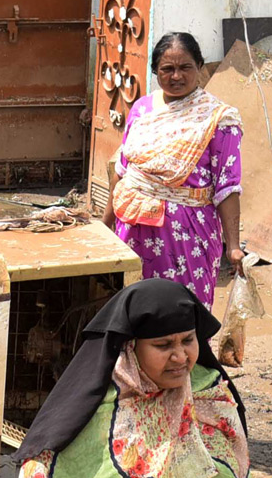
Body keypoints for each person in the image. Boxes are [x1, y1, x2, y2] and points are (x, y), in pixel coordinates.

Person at [1, 278, 261, 478]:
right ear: (130, 346)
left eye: (188, 340)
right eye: (163, 345)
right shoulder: (100, 409)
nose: (180, 356)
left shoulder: (210, 399)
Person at [103, 32, 244, 309]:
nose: (176, 76)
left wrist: (234, 245)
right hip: (132, 228)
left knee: (184, 310)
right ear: (155, 72)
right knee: (133, 308)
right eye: (167, 69)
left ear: (200, 68)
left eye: (185, 67)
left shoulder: (218, 119)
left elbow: (228, 187)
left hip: (187, 235)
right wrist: (105, 224)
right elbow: (123, 171)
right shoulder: (143, 109)